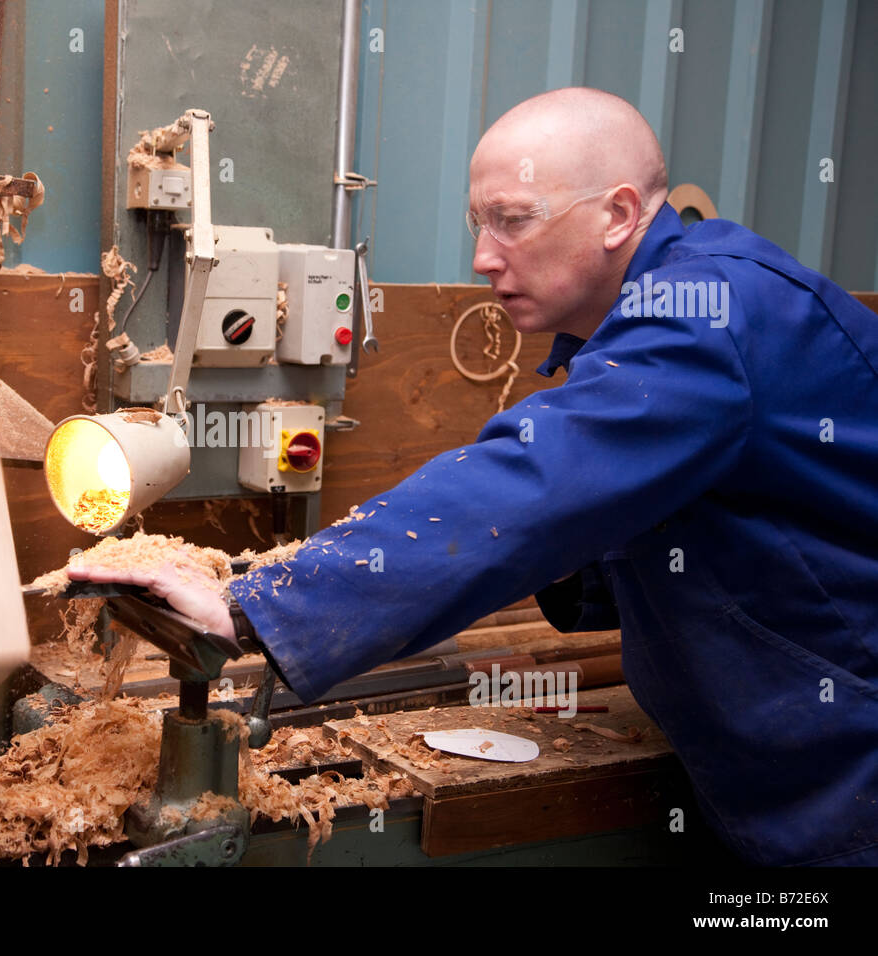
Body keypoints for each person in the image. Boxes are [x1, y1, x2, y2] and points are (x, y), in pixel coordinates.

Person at [72, 87, 878, 866]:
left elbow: (531, 483)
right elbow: (684, 519)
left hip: (846, 784)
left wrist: (251, 606)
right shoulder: (674, 313)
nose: (483, 256)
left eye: (513, 221)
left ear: (620, 215)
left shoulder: (709, 314)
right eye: (477, 222)